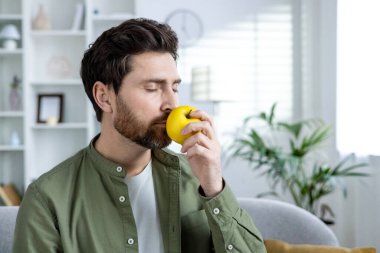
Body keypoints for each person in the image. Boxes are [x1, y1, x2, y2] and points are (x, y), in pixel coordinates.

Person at [13, 18, 267, 253]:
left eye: (175, 87)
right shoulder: (47, 199)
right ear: (104, 96)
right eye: (152, 88)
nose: (172, 103)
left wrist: (214, 188)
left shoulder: (199, 179)